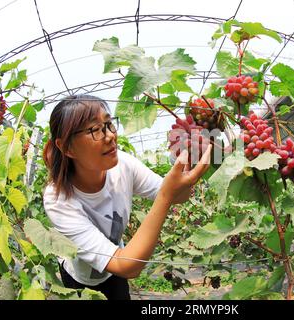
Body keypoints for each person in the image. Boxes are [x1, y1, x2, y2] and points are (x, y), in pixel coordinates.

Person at [42, 94, 211, 300]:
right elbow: (127, 266)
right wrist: (166, 196)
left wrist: (188, 169)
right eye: (95, 130)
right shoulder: (58, 199)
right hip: (81, 280)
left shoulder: (123, 164)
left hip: (115, 266)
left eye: (109, 124)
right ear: (66, 147)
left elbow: (177, 195)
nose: (110, 136)